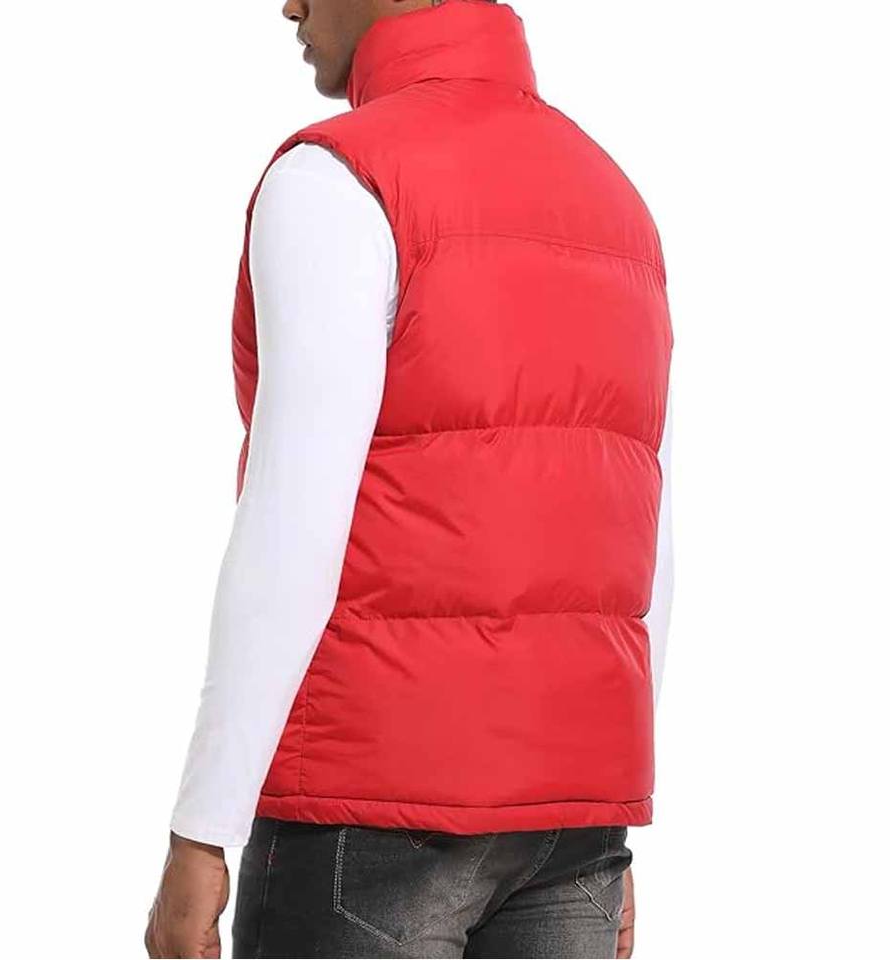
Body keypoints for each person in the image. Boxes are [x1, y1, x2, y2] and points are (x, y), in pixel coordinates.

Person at [145, 1, 674, 957]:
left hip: (367, 813)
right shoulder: (612, 196)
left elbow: (292, 520)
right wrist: (611, 805)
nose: (291, 4)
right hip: (572, 826)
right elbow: (641, 529)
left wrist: (203, 827)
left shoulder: (338, 179)